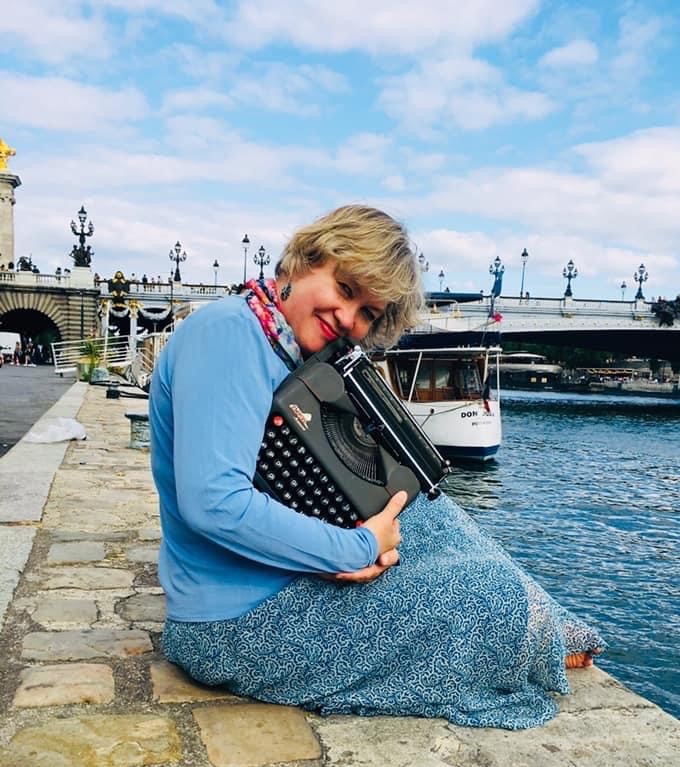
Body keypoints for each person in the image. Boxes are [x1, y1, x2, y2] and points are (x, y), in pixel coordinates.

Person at [149, 205, 602, 730]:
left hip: (271, 585)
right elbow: (213, 503)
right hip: (234, 626)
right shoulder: (229, 334)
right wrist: (358, 546)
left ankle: (552, 626)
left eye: (366, 312)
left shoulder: (278, 344)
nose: (348, 319)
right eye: (344, 289)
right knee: (487, 599)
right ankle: (532, 633)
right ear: (305, 261)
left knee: (431, 513)